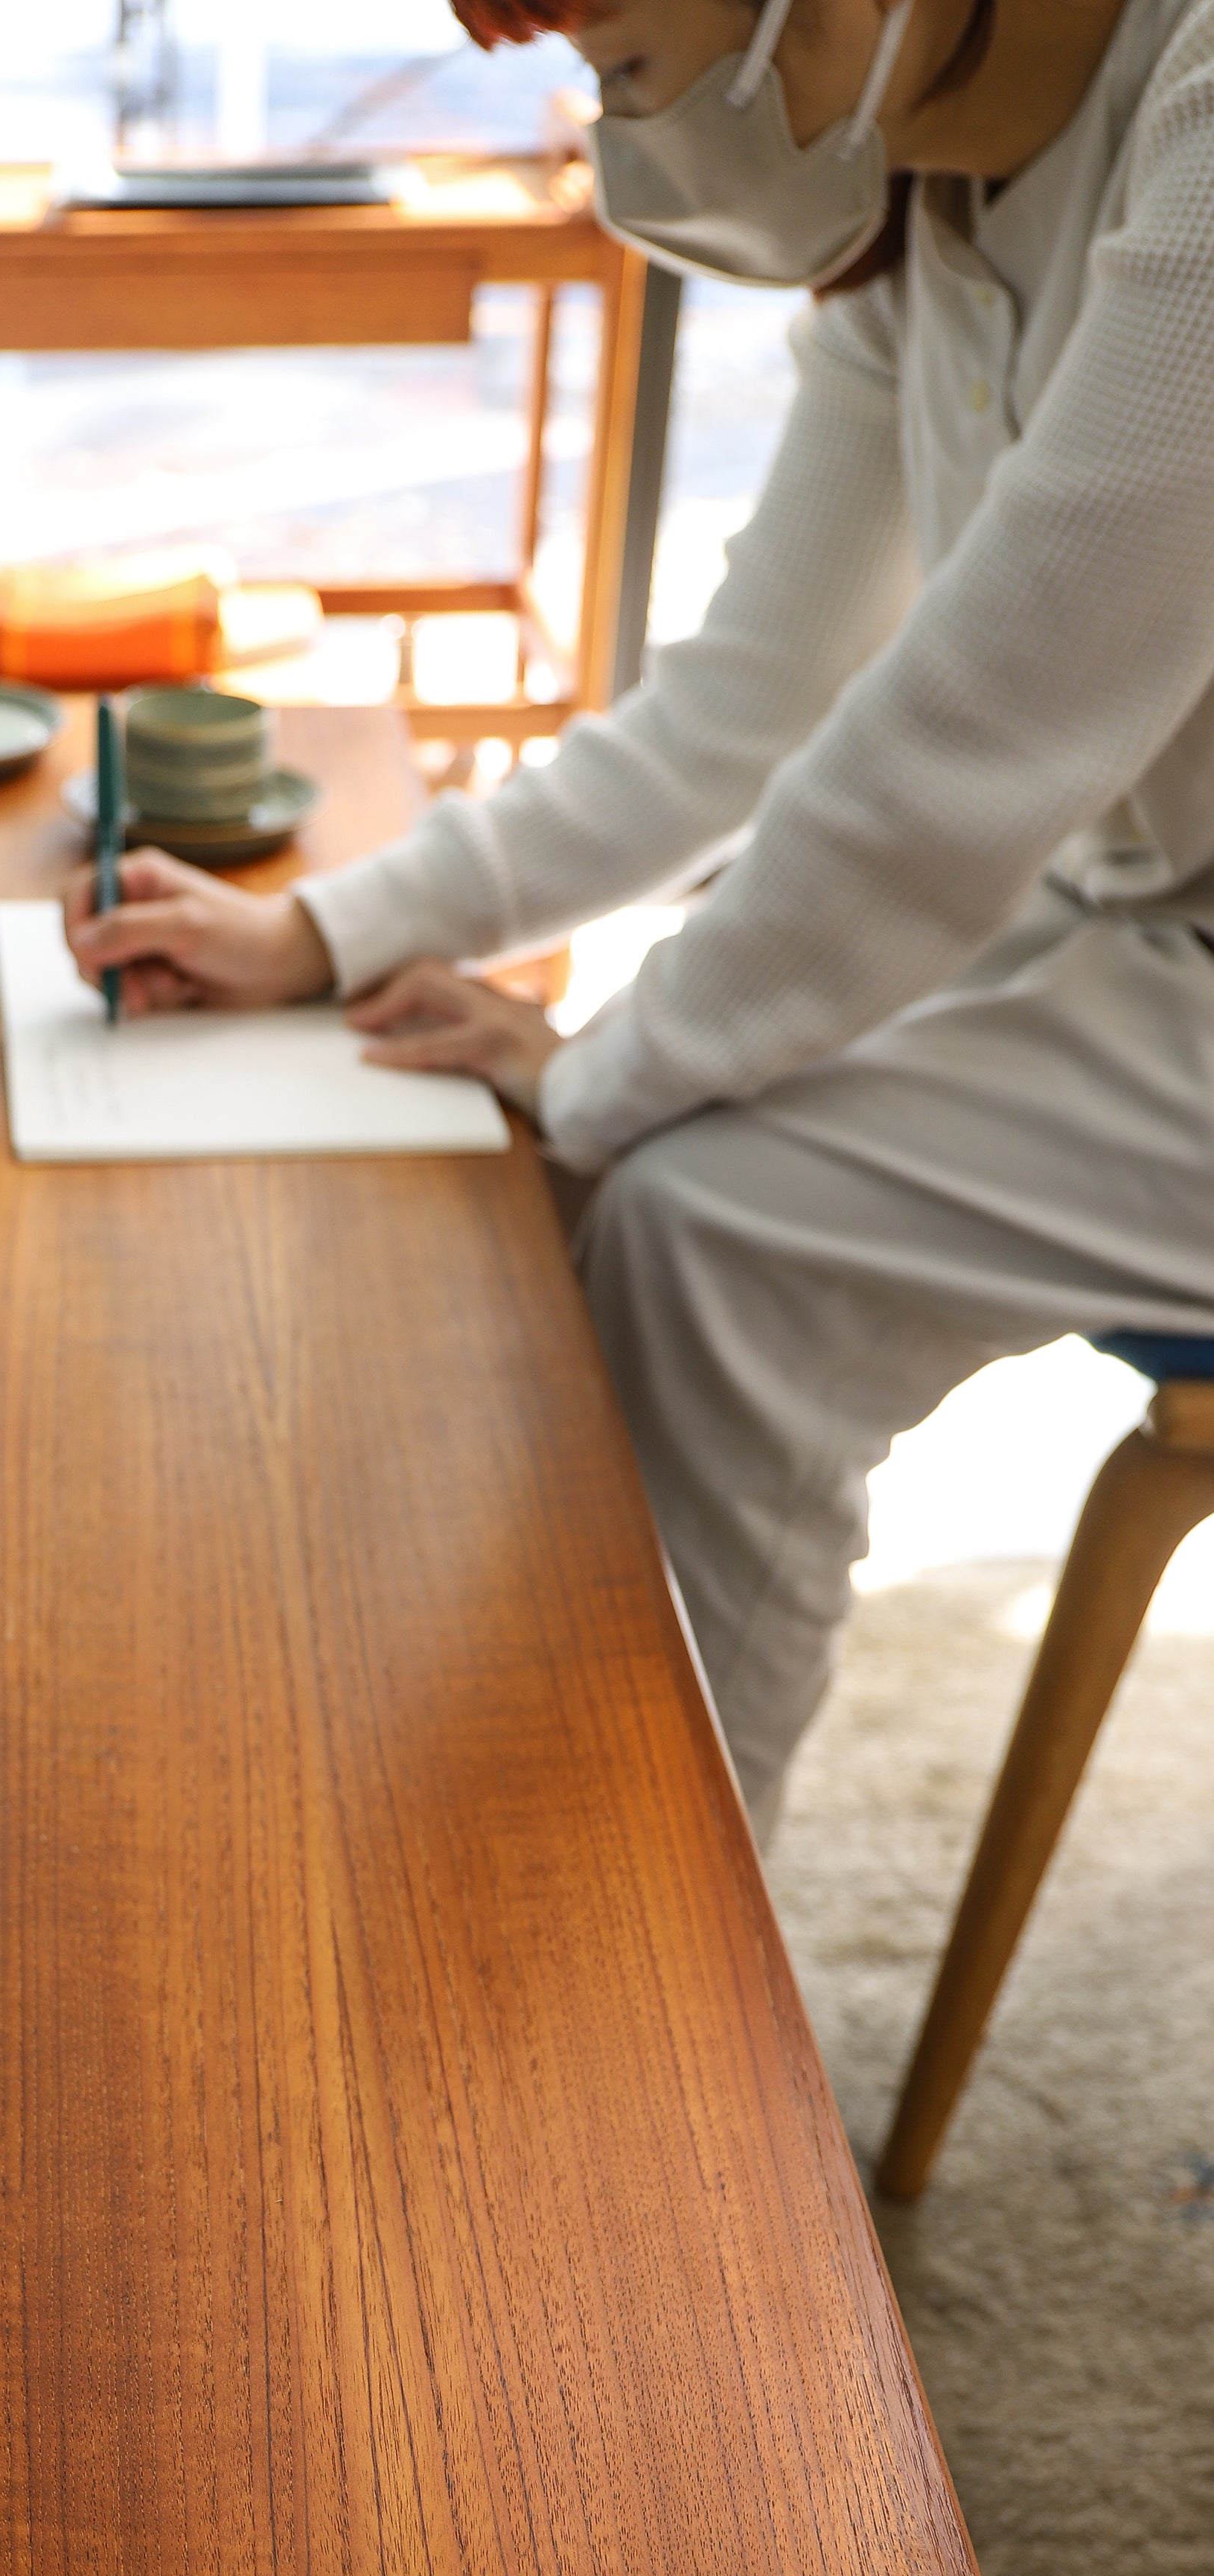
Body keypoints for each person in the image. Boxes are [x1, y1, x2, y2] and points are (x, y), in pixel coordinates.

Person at [64, 0, 1214, 1847]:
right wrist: (332, 931)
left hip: (1173, 970)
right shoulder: (924, 194)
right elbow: (741, 711)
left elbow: (963, 755)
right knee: (645, 1148)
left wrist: (601, 1080)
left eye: (613, 62)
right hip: (1130, 923)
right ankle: (561, 1836)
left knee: (702, 1227)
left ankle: (654, 1993)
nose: (609, 110)